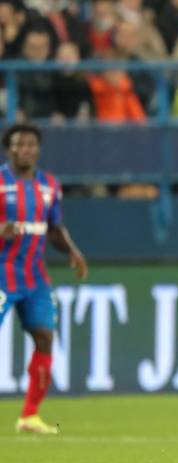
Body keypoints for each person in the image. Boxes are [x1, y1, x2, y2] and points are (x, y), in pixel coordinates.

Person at [0, 123, 88, 434]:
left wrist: (72, 251)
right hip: (1, 274)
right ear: (8, 149)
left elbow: (53, 227)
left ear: (37, 149)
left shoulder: (49, 185)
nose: (24, 149)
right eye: (17, 144)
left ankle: (29, 416)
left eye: (29, 144)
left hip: (34, 276)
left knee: (45, 337)